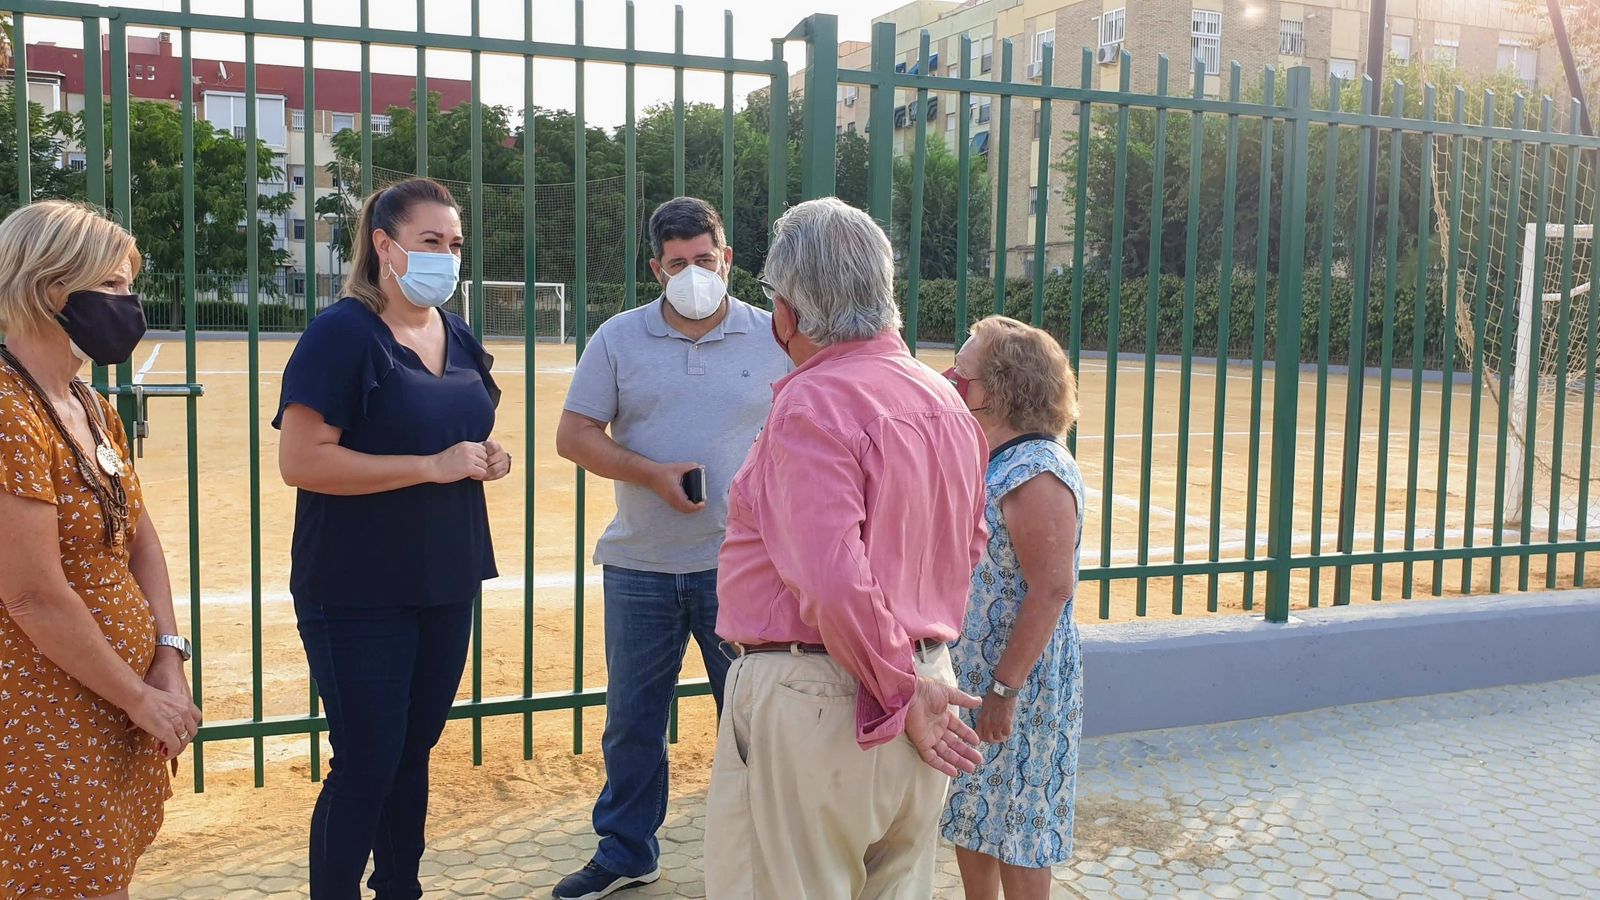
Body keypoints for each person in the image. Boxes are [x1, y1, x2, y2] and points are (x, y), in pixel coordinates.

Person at [705, 197, 989, 900]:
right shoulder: (941, 396)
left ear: (789, 312)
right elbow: (968, 544)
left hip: (828, 694)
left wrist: (897, 688)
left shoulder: (814, 401)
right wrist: (912, 676)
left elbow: (831, 580)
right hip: (921, 678)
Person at [273, 178, 510, 900]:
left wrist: (486, 457)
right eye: (431, 241)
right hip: (356, 588)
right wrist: (430, 467)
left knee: (413, 752)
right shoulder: (342, 333)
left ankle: (399, 888)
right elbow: (302, 461)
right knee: (368, 761)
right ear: (384, 245)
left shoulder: (454, 330)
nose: (447, 256)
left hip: (446, 576)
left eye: (455, 244)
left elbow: (460, 429)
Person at [553, 196, 789, 900]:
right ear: (656, 267)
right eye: (678, 263)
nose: (694, 273)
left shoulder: (776, 335)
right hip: (641, 565)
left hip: (744, 568)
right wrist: (649, 474)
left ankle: (765, 853)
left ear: (730, 260)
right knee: (633, 723)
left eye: (706, 259)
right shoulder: (618, 339)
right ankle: (627, 850)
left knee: (751, 718)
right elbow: (575, 435)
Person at [0, 200, 202, 900]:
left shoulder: (89, 403)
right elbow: (30, 594)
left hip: (115, 698)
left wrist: (168, 661)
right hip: (45, 711)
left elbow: (139, 538)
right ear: (53, 288)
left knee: (101, 872)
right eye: (114, 286)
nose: (130, 303)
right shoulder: (7, 410)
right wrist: (141, 699)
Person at [940, 316, 1085, 900]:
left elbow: (1051, 590)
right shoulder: (992, 455)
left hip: (1017, 683)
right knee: (972, 813)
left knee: (1020, 829)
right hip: (976, 676)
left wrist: (1005, 689)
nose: (952, 378)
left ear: (1002, 388)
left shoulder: (1037, 472)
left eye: (965, 372)